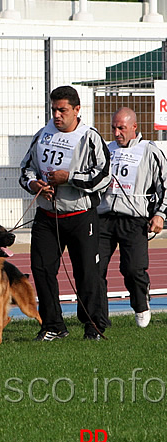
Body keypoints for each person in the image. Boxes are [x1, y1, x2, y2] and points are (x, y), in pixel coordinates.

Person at [19, 85, 112, 341]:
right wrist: (34, 185)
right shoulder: (42, 135)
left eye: (63, 110)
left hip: (81, 216)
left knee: (86, 273)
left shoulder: (90, 137)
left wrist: (69, 178)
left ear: (77, 110)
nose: (57, 115)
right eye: (54, 110)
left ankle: (93, 325)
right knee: (41, 269)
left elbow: (103, 176)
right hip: (47, 217)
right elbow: (25, 170)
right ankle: (52, 325)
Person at [98, 107, 167, 328]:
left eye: (122, 128)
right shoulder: (106, 150)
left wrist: (159, 214)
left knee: (132, 269)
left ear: (134, 127)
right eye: (114, 128)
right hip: (104, 218)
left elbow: (164, 184)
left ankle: (141, 305)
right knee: (94, 268)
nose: (117, 133)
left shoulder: (149, 150)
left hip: (135, 219)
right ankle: (99, 319)